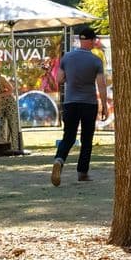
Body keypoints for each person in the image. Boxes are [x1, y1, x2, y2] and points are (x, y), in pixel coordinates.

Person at [51, 28, 108, 186]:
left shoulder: (67, 57)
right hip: (89, 103)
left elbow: (60, 79)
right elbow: (101, 85)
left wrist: (71, 75)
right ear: (90, 41)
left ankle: (59, 160)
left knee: (68, 136)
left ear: (80, 40)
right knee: (86, 139)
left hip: (70, 102)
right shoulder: (96, 61)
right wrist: (104, 105)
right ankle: (82, 172)